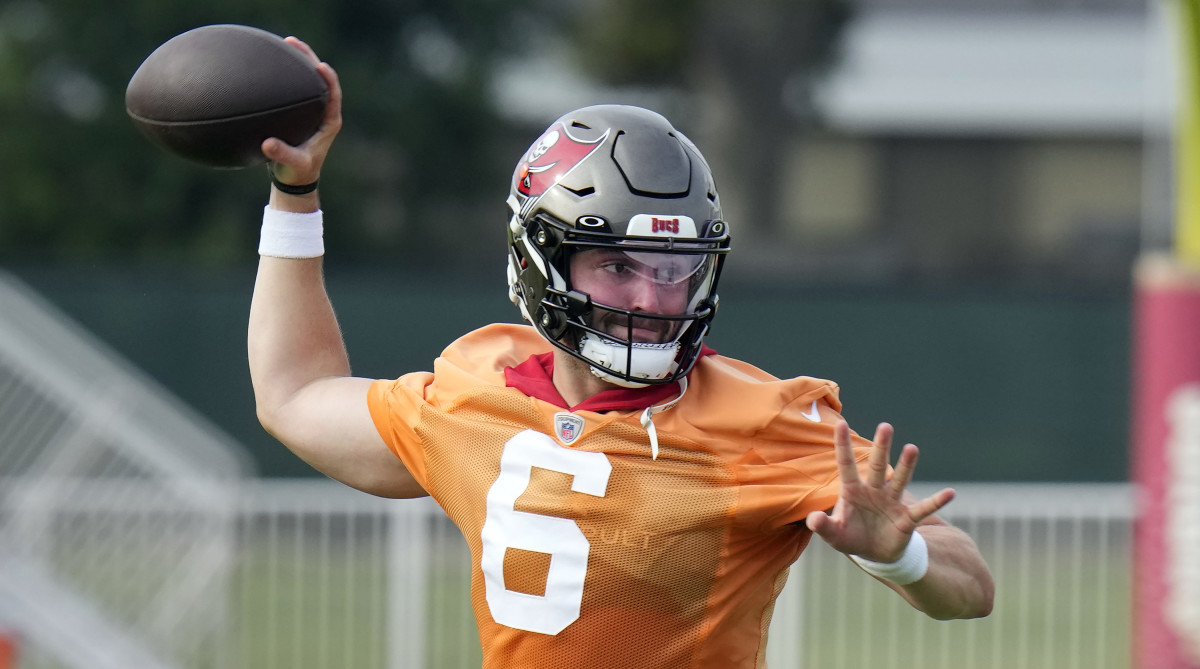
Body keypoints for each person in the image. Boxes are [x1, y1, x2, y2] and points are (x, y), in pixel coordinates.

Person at [251, 37, 994, 668]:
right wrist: (295, 190)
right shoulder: (474, 392)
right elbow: (295, 395)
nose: (653, 298)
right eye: (617, 264)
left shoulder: (763, 421)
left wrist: (900, 554)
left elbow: (971, 586)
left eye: (674, 269)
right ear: (539, 260)